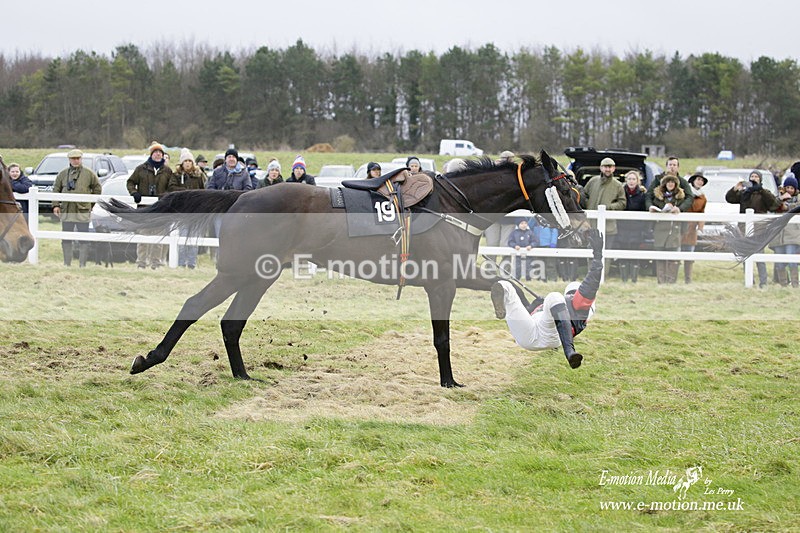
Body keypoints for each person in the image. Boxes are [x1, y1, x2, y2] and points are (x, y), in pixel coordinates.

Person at [490, 229, 605, 370]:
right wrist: (535, 305)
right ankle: (501, 305)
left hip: (550, 336)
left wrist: (598, 255)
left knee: (554, 297)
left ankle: (569, 351)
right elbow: (526, 314)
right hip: (528, 335)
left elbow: (591, 282)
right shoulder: (559, 307)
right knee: (505, 286)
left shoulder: (579, 306)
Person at [726, 169, 781, 288]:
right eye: (752, 176)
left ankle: (763, 281)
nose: (754, 178)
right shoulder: (744, 193)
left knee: (759, 255)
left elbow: (774, 204)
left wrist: (761, 190)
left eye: (756, 176)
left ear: (760, 179)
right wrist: (736, 188)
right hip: (744, 227)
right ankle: (749, 279)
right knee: (746, 254)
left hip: (759, 229)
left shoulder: (764, 193)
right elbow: (730, 199)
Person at [128, 141, 174, 269]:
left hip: (160, 209)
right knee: (143, 237)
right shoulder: (141, 169)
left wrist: (167, 198)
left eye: (160, 153)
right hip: (145, 209)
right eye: (155, 152)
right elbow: (130, 182)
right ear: (151, 154)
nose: (158, 155)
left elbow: (172, 187)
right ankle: (141, 262)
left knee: (158, 239)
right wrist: (134, 193)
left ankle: (155, 263)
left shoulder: (168, 171)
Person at [52, 149, 102, 267]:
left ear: (81, 159)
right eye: (73, 159)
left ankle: (82, 264)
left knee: (83, 237)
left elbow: (97, 189)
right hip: (67, 210)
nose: (75, 161)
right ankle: (67, 263)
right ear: (69, 160)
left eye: (77, 158)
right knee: (66, 237)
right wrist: (55, 205)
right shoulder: (63, 174)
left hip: (82, 211)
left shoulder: (89, 174)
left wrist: (90, 204)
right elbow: (56, 189)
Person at [168, 148, 206, 269]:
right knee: (182, 239)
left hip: (195, 213)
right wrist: (186, 193)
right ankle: (180, 263)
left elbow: (204, 191)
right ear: (182, 163)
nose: (188, 163)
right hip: (182, 212)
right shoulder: (176, 176)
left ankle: (191, 263)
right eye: (186, 161)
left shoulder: (199, 175)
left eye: (190, 160)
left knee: (193, 240)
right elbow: (171, 188)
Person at [582, 157, 626, 251]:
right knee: (591, 252)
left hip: (608, 227)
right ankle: (590, 266)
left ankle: (606, 266)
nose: (607, 169)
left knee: (606, 253)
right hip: (591, 225)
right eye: (605, 167)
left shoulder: (618, 185)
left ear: (614, 168)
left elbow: (622, 203)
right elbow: (583, 196)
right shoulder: (593, 181)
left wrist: (609, 207)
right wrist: (588, 204)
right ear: (601, 168)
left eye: (610, 167)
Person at [647, 174, 684, 283]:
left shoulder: (680, 197)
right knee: (660, 256)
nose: (670, 184)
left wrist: (678, 209)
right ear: (665, 184)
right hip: (660, 229)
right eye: (668, 182)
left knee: (673, 256)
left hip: (674, 229)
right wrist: (652, 208)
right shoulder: (658, 196)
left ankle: (671, 280)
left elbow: (686, 206)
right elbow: (649, 201)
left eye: (672, 182)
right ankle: (661, 280)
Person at [617, 170, 648, 282]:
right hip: (622, 227)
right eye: (629, 179)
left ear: (637, 181)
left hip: (636, 229)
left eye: (633, 179)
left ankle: (634, 278)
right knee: (623, 252)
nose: (631, 181)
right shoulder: (620, 192)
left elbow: (645, 210)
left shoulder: (642, 194)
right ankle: (624, 278)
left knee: (634, 253)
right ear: (626, 180)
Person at [769, 173, 800, 287]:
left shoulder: (798, 201)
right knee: (780, 264)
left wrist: (787, 206)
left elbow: (794, 208)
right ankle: (783, 285)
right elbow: (772, 207)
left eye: (792, 188)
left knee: (792, 261)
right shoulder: (778, 199)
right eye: (787, 187)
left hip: (792, 235)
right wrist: (781, 199)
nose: (790, 190)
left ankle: (795, 284)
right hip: (778, 236)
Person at [681, 174, 708, 283]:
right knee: (676, 253)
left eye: (702, 180)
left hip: (692, 228)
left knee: (689, 254)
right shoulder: (684, 193)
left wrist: (700, 227)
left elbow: (702, 212)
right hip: (681, 225)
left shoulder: (703, 197)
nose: (700, 182)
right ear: (693, 181)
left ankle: (688, 278)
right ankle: (671, 277)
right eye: (698, 179)